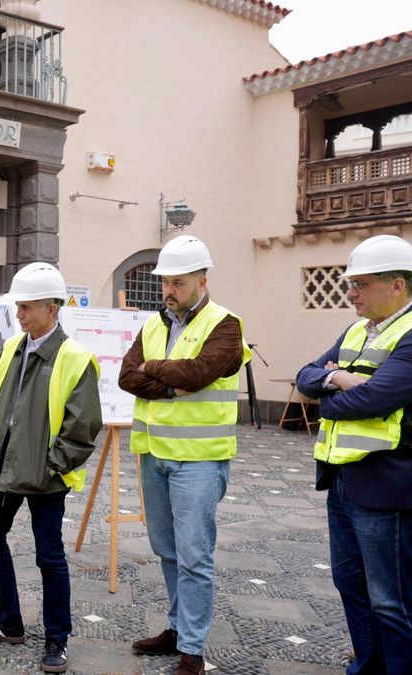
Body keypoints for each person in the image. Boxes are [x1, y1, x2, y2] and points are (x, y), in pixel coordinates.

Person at [295, 235, 412, 675]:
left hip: (389, 484)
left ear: (397, 285)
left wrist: (335, 388)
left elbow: (375, 401)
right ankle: (367, 668)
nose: (351, 294)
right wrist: (341, 382)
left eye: (360, 284)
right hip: (343, 480)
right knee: (350, 584)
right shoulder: (355, 331)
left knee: (392, 601)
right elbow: (305, 376)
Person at [117, 236, 250, 675]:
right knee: (167, 549)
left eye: (177, 282)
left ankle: (192, 647)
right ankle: (176, 628)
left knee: (195, 554)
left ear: (201, 281)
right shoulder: (154, 324)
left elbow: (200, 370)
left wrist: (154, 371)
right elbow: (125, 377)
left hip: (199, 458)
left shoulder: (226, 324)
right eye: (165, 283)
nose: (168, 290)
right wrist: (173, 383)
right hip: (154, 452)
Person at [0, 262, 103, 674]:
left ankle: (57, 639)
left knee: (50, 557)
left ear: (51, 308)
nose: (19, 315)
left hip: (46, 478)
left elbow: (83, 427)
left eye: (26, 307)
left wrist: (51, 467)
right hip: (4, 471)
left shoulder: (76, 358)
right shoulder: (12, 347)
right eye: (18, 307)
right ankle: (8, 621)